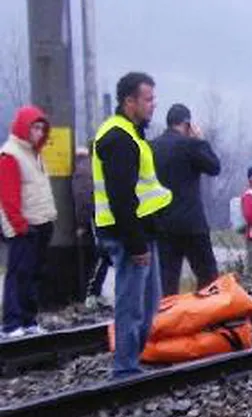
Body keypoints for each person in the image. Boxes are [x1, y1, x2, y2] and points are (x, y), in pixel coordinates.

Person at [93, 72, 173, 378]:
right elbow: (121, 197)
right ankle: (125, 369)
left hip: (141, 234)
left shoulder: (130, 133)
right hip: (128, 236)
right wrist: (137, 243)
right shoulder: (119, 138)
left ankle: (130, 362)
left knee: (149, 304)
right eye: (148, 99)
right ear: (130, 101)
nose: (153, 105)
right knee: (132, 305)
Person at [151, 103, 222, 296]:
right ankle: (206, 318)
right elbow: (214, 167)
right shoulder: (190, 145)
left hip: (162, 223)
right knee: (207, 276)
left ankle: (168, 320)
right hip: (192, 223)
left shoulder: (152, 146)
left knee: (167, 280)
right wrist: (201, 140)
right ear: (187, 124)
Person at [0, 105, 57, 338]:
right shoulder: (11, 155)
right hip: (25, 225)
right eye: (35, 127)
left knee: (33, 274)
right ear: (24, 127)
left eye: (42, 128)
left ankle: (28, 319)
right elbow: (8, 196)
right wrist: (19, 225)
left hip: (40, 221)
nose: (39, 132)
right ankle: (12, 323)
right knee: (18, 274)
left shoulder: (34, 154)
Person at [75, 145, 111, 309]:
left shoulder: (87, 166)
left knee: (102, 256)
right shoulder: (87, 168)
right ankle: (91, 294)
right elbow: (84, 197)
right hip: (95, 218)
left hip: (97, 217)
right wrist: (82, 223)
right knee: (100, 256)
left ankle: (94, 293)